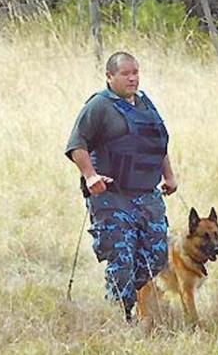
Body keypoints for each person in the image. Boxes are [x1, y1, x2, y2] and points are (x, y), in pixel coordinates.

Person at [65, 51, 178, 322]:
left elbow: (156, 143)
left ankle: (128, 297)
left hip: (147, 196)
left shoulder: (145, 104)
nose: (132, 78)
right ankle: (121, 316)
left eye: (135, 73)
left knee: (156, 257)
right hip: (112, 197)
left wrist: (169, 176)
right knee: (121, 259)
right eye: (125, 73)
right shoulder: (99, 105)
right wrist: (90, 176)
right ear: (109, 76)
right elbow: (76, 145)